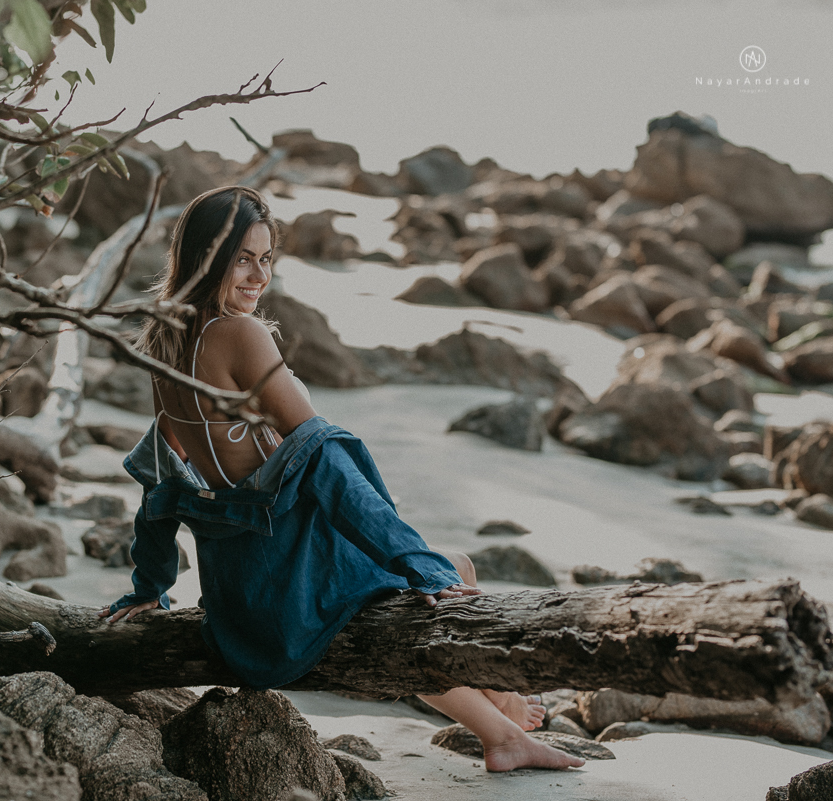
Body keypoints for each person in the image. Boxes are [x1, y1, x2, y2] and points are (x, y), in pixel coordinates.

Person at [98, 186, 584, 773]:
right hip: (289, 591)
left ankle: (501, 729)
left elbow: (161, 478)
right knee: (445, 573)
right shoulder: (239, 334)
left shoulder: (167, 338)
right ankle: (502, 716)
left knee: (450, 569)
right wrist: (415, 561)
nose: (258, 276)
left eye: (267, 258)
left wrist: (150, 584)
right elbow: (326, 462)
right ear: (207, 255)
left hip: (240, 607)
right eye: (242, 258)